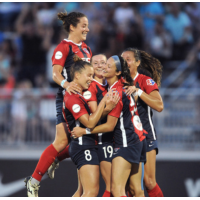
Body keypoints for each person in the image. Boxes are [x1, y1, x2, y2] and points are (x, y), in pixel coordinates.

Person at [24, 11, 92, 197]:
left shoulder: (86, 48)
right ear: (72, 27)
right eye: (84, 25)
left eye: (87, 25)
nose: (88, 28)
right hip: (68, 99)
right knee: (63, 141)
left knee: (84, 139)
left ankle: (55, 159)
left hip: (85, 100)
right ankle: (34, 181)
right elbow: (55, 73)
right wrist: (66, 84)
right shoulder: (63, 47)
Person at [72, 55, 147, 197]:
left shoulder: (115, 92)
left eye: (108, 66)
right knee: (136, 190)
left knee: (117, 191)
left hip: (126, 142)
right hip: (138, 139)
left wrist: (85, 131)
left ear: (118, 72)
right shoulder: (125, 85)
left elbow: (109, 126)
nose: (104, 67)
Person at [63, 55, 119, 197]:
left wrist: (106, 107)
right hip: (83, 145)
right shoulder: (73, 97)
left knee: (84, 191)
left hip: (88, 143)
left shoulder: (78, 94)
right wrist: (104, 102)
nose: (90, 78)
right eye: (88, 75)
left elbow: (93, 118)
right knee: (92, 191)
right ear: (77, 75)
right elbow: (90, 122)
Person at [121, 48, 164, 197]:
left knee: (149, 182)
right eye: (122, 59)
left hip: (146, 135)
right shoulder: (118, 82)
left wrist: (139, 91)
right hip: (127, 138)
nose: (124, 62)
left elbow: (159, 106)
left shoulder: (145, 80)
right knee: (129, 187)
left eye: (128, 59)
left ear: (138, 62)